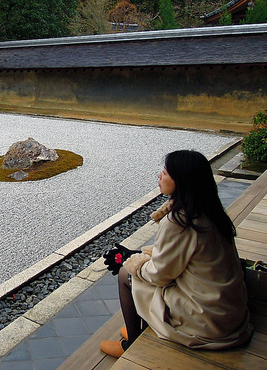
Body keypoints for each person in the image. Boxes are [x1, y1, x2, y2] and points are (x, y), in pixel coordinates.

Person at [100, 150, 253, 357]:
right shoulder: (209, 211)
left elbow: (159, 275)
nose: (159, 176)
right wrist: (138, 254)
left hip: (206, 321)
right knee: (138, 271)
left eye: (164, 172)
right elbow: (178, 256)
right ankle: (142, 327)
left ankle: (132, 344)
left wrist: (131, 262)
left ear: (181, 180)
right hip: (228, 312)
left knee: (125, 276)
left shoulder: (180, 221)